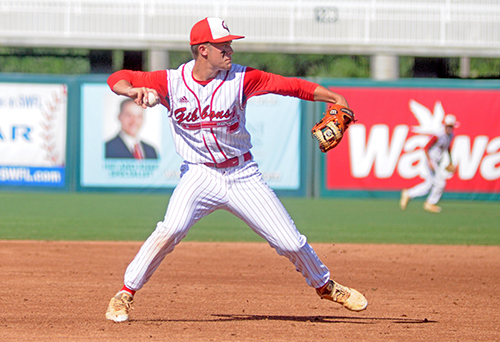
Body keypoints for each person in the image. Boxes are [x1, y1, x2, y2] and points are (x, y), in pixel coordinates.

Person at [105, 17, 367, 323]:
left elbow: (292, 86)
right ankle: (124, 293)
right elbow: (117, 77)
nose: (230, 49)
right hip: (199, 175)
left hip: (243, 174)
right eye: (223, 45)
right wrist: (131, 91)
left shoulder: (242, 78)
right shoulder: (170, 82)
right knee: (170, 229)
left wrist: (335, 97)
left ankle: (324, 285)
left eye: (229, 43)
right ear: (203, 50)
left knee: (290, 242)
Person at [400, 114, 458, 213]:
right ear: (444, 125)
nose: (449, 128)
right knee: (440, 183)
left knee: (429, 185)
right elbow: (426, 147)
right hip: (431, 159)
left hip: (437, 160)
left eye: (451, 126)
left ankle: (408, 193)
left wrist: (451, 161)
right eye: (448, 126)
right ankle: (430, 203)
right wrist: (429, 161)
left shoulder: (451, 135)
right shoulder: (438, 134)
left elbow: (448, 148)